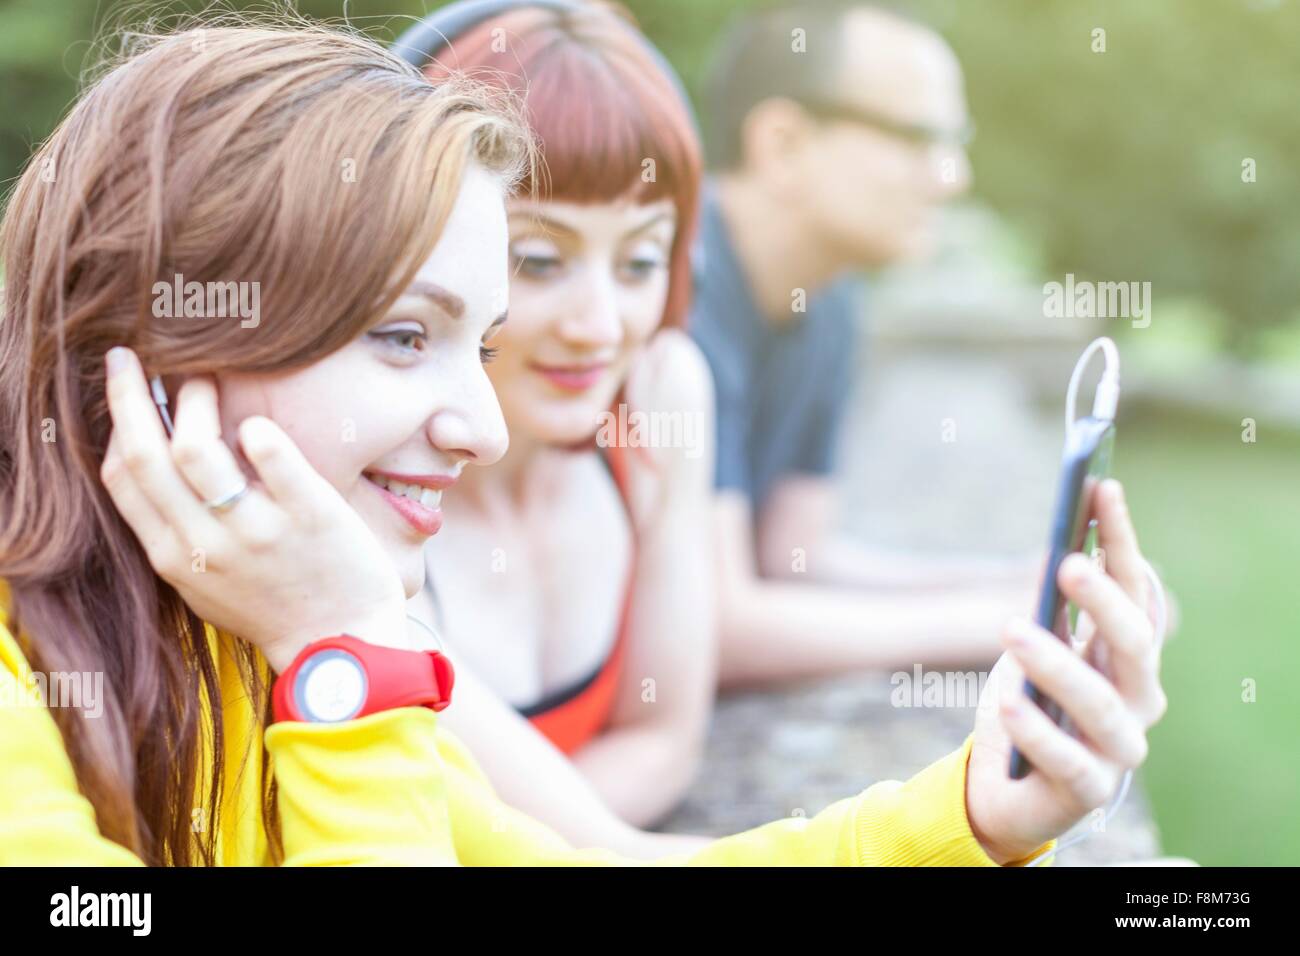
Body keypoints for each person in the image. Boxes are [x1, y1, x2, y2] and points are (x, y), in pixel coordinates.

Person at [0, 19, 1167, 869]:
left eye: (479, 340)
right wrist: (341, 656)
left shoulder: (259, 629)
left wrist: (973, 811)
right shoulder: (268, 641)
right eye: (404, 335)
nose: (484, 422)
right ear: (151, 351)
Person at [403, 0, 716, 856]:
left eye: (641, 261)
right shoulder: (364, 481)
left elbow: (666, 740)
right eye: (539, 259)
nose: (600, 324)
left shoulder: (660, 399)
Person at [694, 2, 1046, 685]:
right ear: (782, 143)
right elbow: (715, 622)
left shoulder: (828, 298)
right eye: (920, 138)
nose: (953, 177)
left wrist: (1010, 582)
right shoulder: (670, 288)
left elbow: (789, 558)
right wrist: (1013, 623)